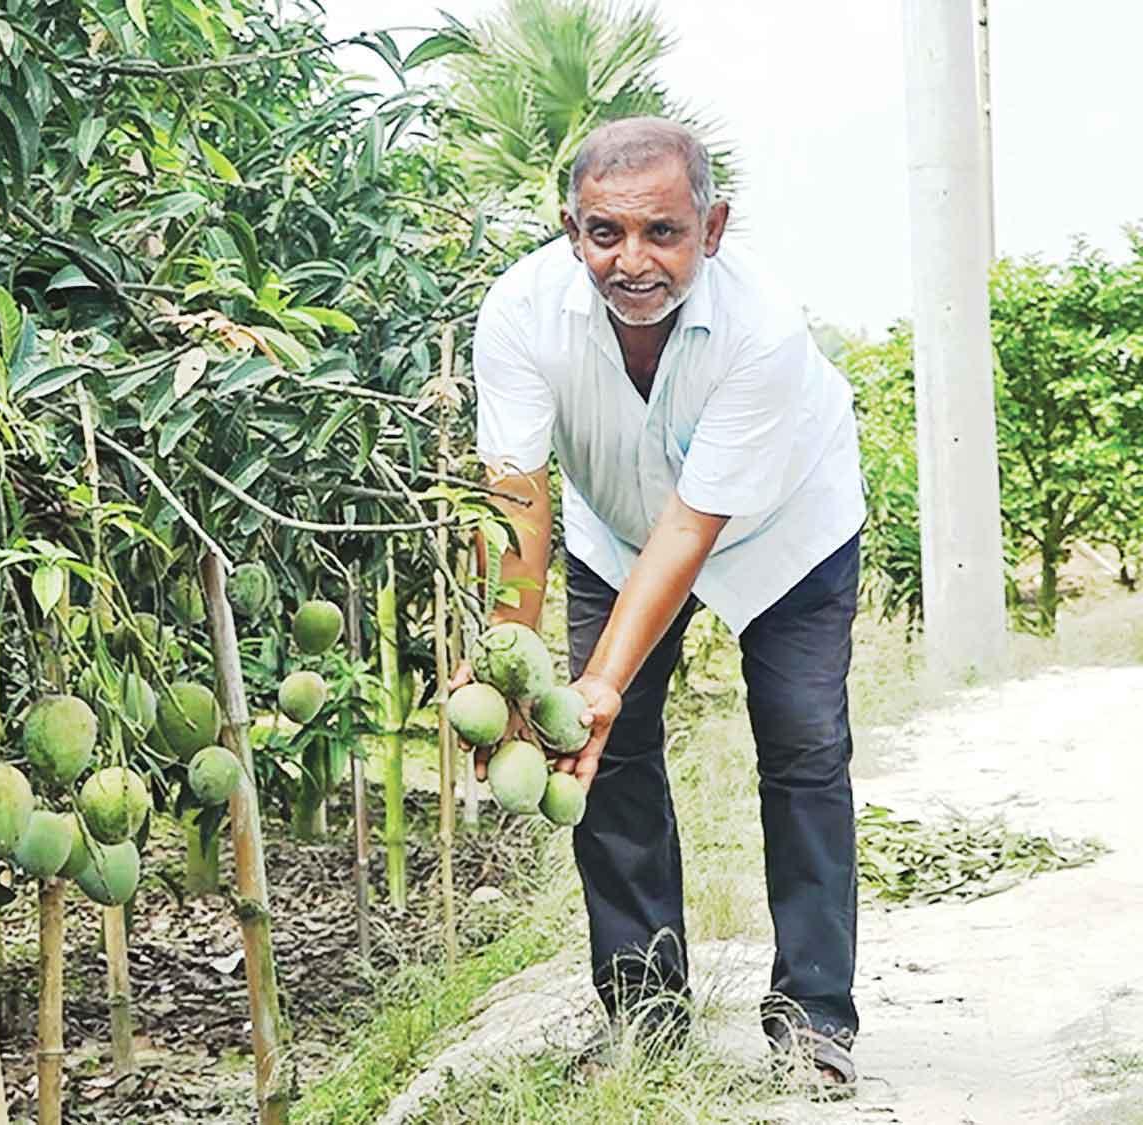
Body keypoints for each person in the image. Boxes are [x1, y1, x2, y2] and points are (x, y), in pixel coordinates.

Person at [452, 116, 866, 1096]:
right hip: (617, 533)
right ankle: (641, 1009)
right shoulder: (518, 311)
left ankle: (813, 1019)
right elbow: (512, 489)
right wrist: (510, 655)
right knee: (609, 750)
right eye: (604, 233)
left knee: (802, 746)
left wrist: (594, 681)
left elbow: (691, 527)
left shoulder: (760, 327)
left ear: (711, 227)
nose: (629, 260)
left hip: (783, 534)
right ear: (570, 228)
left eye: (661, 234)